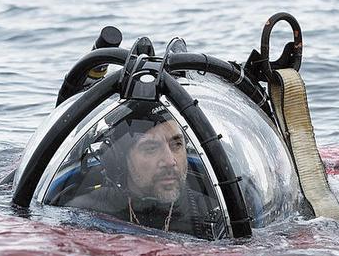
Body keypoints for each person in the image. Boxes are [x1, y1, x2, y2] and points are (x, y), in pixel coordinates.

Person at [61, 101, 221, 239]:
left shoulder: (218, 211)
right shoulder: (84, 212)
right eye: (151, 148)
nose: (170, 161)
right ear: (121, 161)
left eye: (176, 145)